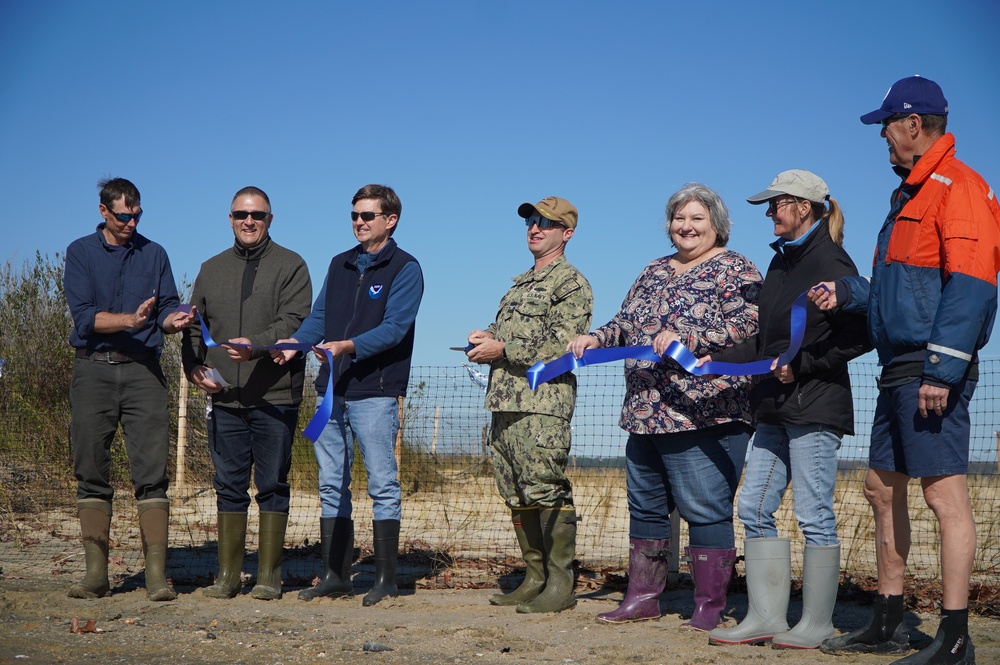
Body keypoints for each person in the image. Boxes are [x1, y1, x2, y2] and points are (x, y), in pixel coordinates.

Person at [811, 76, 1000, 665]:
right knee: (878, 489)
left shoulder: (959, 187)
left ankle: (955, 638)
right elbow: (903, 293)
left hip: (930, 368)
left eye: (887, 127)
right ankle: (889, 621)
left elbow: (971, 286)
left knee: (945, 497)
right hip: (898, 368)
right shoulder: (909, 197)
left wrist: (942, 371)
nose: (884, 139)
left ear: (913, 125)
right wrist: (846, 293)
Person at [567, 183, 761, 630]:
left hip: (705, 412)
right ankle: (643, 597)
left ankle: (708, 607)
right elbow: (627, 322)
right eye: (679, 218)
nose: (686, 226)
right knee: (647, 507)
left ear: (717, 225)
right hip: (644, 411)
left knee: (705, 509)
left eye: (697, 218)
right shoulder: (654, 269)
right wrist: (597, 337)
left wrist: (689, 340)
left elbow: (750, 325)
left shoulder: (736, 269)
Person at [704, 171, 870, 649]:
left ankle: (816, 623)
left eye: (776, 204)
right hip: (773, 406)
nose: (770, 213)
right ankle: (766, 617)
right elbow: (765, 341)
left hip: (815, 406)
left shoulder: (833, 261)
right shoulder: (778, 265)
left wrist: (802, 366)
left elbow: (861, 334)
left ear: (803, 206)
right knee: (754, 505)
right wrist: (712, 364)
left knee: (814, 513)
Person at [272, 184, 423, 606]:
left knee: (382, 484)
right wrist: (296, 344)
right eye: (354, 215)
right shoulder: (339, 264)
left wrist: (347, 346)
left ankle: (385, 580)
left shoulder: (406, 268)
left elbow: (395, 329)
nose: (359, 222)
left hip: (374, 392)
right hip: (330, 392)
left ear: (390, 220)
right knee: (330, 483)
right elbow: (319, 317)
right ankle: (335, 575)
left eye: (368, 216)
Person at [64, 177, 195, 601]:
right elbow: (85, 318)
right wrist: (130, 321)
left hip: (144, 373)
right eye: (123, 216)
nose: (131, 222)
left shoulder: (155, 254)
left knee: (152, 474)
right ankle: (96, 576)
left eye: (137, 215)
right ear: (103, 211)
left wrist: (172, 319)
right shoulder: (79, 253)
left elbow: (167, 305)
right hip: (93, 372)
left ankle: (156, 577)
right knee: (91, 472)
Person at [182, 186, 312, 601]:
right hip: (225, 399)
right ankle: (227, 575)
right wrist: (193, 366)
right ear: (230, 218)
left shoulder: (292, 266)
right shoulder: (210, 268)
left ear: (270, 220)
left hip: (275, 397)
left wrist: (255, 345)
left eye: (257, 215)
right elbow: (192, 325)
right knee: (229, 486)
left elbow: (295, 320)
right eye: (241, 214)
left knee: (272, 484)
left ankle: (269, 576)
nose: (249, 221)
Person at [467, 196, 593, 614]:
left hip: (543, 405)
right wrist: (484, 336)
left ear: (567, 233)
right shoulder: (520, 283)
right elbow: (513, 335)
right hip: (504, 402)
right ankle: (535, 577)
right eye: (531, 222)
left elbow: (563, 345)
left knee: (544, 487)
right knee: (515, 492)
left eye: (546, 223)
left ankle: (560, 584)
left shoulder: (571, 283)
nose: (535, 229)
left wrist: (501, 347)